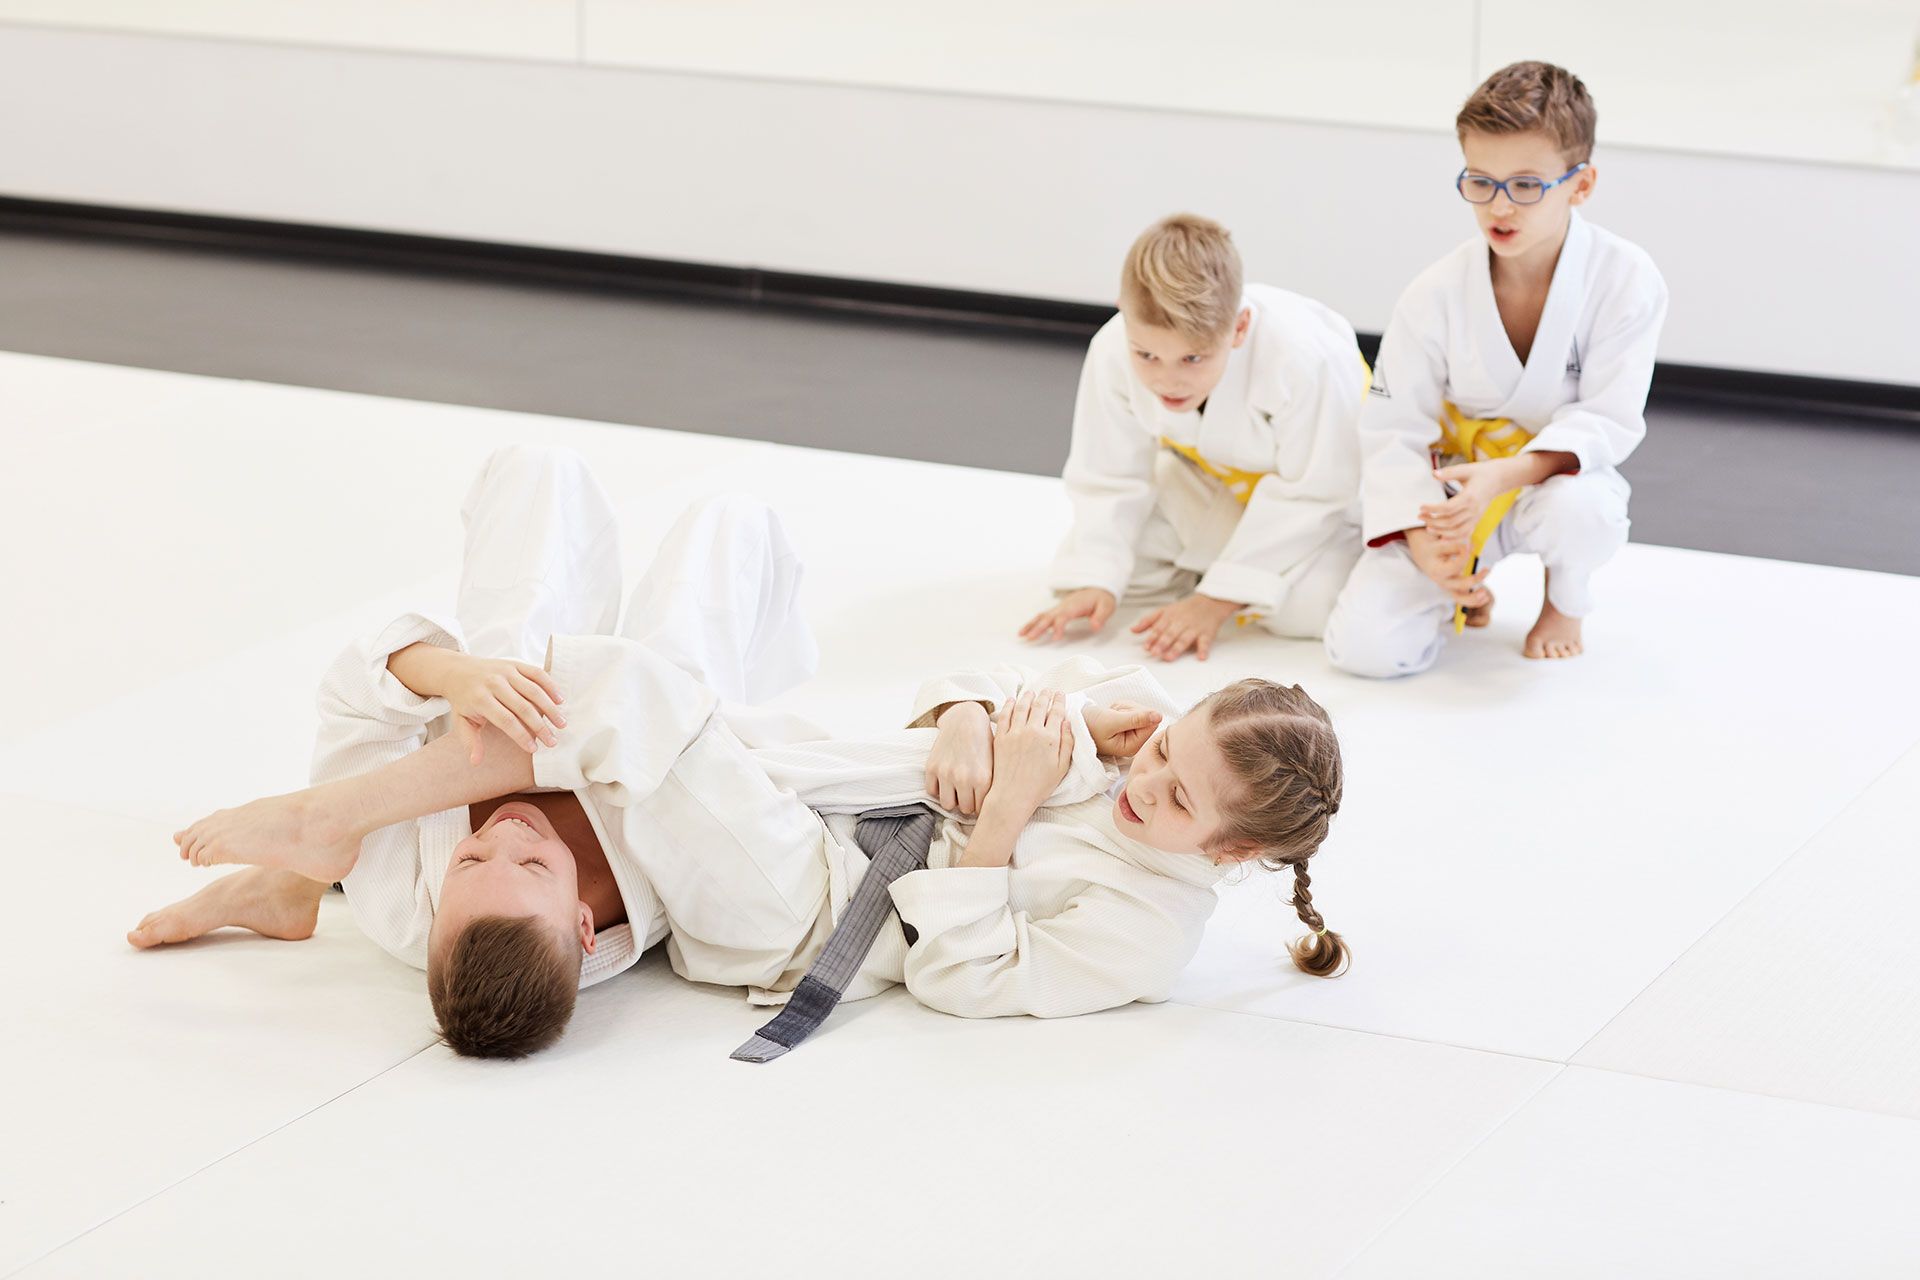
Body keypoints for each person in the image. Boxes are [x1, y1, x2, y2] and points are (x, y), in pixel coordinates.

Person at [135, 447, 1351, 1058]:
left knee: (640, 687)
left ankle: (328, 820)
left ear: (1233, 847)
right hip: (809, 784)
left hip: (816, 903)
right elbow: (985, 696)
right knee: (714, 532)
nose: (1147, 778)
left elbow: (961, 978)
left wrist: (1000, 818)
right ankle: (359, 818)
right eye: (1166, 751)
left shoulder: (1146, 929)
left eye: (1177, 794)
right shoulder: (1147, 734)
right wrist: (980, 716)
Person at [1324, 61, 1669, 675]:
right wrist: (1428, 542)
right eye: (1480, 181)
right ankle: (1462, 590)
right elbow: (1391, 429)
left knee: (1584, 511)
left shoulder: (1626, 278)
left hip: (1547, 486)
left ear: (1581, 184)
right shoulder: (1434, 292)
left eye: (1526, 184)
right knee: (1366, 652)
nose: (1499, 207)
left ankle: (1565, 600)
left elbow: (1608, 419)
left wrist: (1505, 476)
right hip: (1452, 496)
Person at [1020, 213, 1367, 662]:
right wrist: (1096, 578)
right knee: (1116, 571)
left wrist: (1215, 601)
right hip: (1214, 482)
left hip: (1329, 509)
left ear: (1239, 327)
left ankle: (1222, 575)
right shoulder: (1112, 347)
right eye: (1146, 354)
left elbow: (1318, 491)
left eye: (1193, 358)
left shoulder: (1306, 358)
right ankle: (1224, 571)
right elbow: (1108, 474)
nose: (1168, 380)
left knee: (1311, 609)